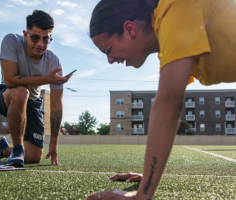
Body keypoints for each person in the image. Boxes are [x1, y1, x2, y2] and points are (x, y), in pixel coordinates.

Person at [86, 0, 236, 199]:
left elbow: (169, 101)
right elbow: (168, 103)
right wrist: (149, 176)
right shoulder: (167, 41)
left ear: (129, 29)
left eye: (107, 50)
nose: (110, 60)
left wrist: (142, 194)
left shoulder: (175, 6)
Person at [0, 10, 71, 167]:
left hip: (33, 102)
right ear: (25, 34)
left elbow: (56, 105)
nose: (41, 44)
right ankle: (18, 149)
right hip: (6, 95)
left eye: (46, 39)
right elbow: (10, 80)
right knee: (21, 91)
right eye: (35, 37)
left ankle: (4, 150)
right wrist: (47, 79)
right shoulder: (11, 41)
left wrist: (54, 143)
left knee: (33, 158)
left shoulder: (53, 61)